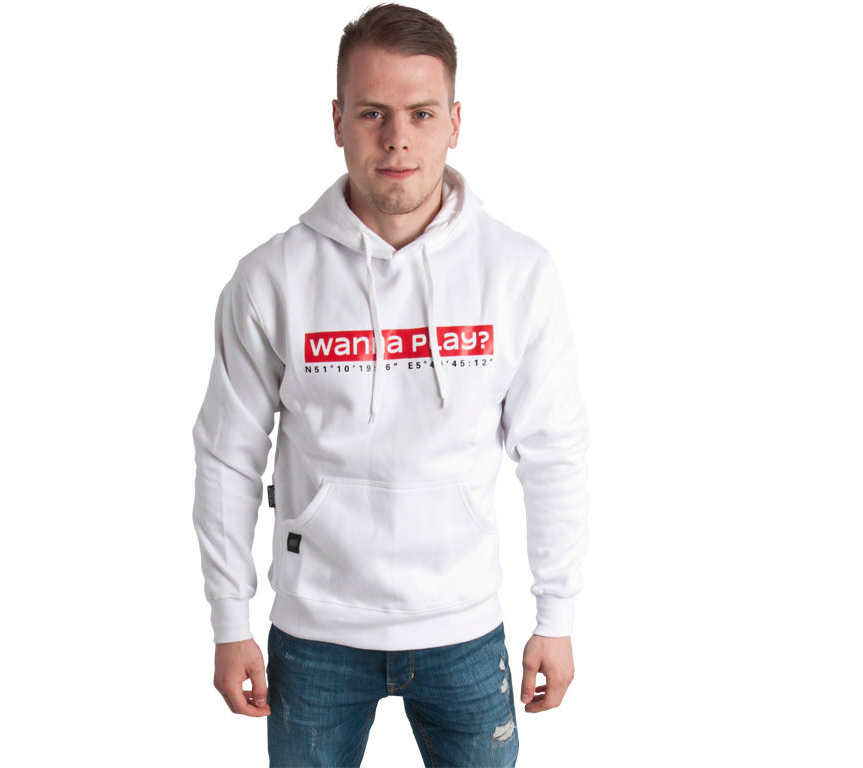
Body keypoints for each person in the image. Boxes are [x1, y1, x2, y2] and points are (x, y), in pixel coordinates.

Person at [191, 4, 590, 765]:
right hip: (316, 634)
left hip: (464, 627)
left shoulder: (518, 273)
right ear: (337, 121)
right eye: (373, 112)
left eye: (421, 113)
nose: (397, 138)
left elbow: (554, 452)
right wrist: (228, 619)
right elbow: (227, 455)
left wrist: (558, 614)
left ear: (455, 122)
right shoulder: (270, 279)